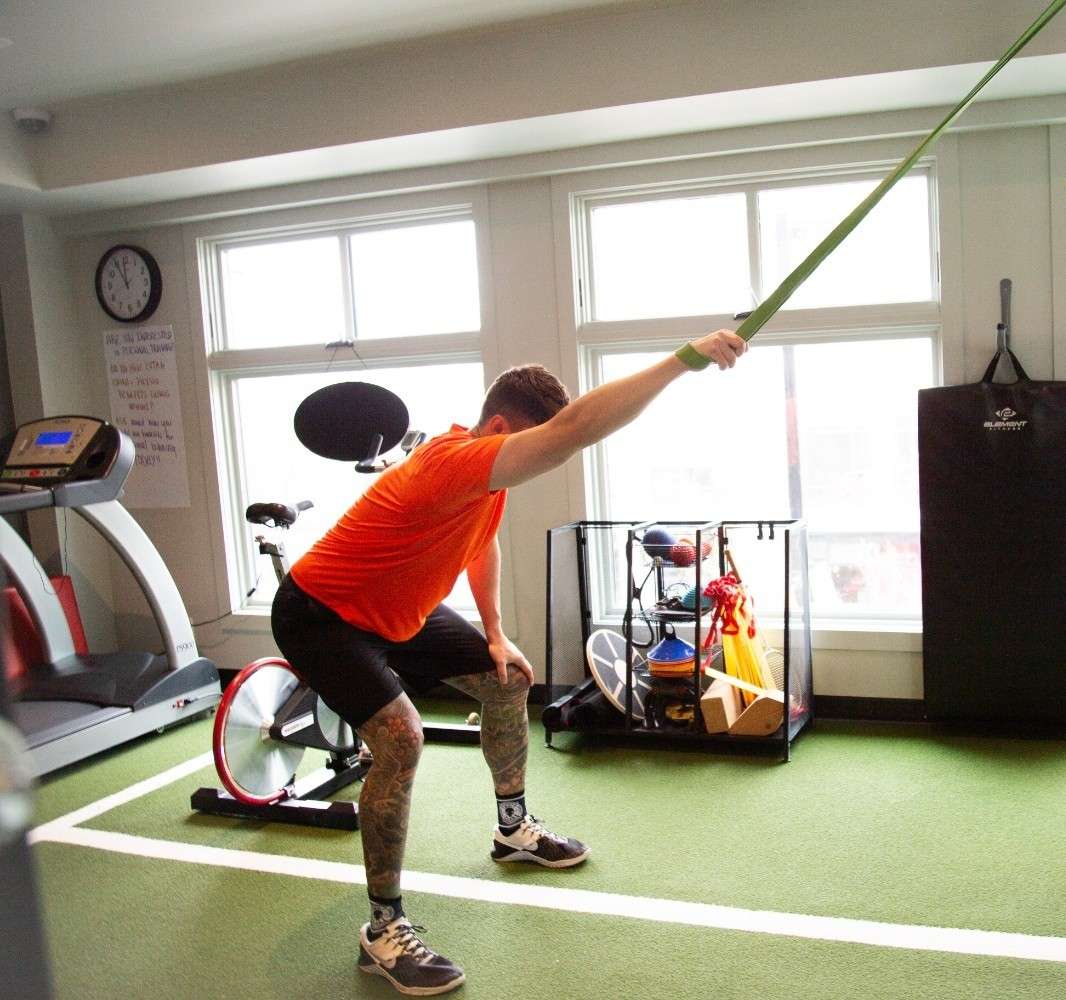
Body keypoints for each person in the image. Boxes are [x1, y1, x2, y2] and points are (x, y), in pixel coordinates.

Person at [270, 329, 747, 996]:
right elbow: (577, 429)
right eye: (534, 446)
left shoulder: (480, 480)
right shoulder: (452, 462)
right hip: (322, 613)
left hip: (395, 611)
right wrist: (685, 360)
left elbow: (478, 545)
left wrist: (495, 631)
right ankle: (382, 928)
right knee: (401, 737)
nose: (541, 461)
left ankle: (513, 829)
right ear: (500, 427)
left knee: (510, 677)